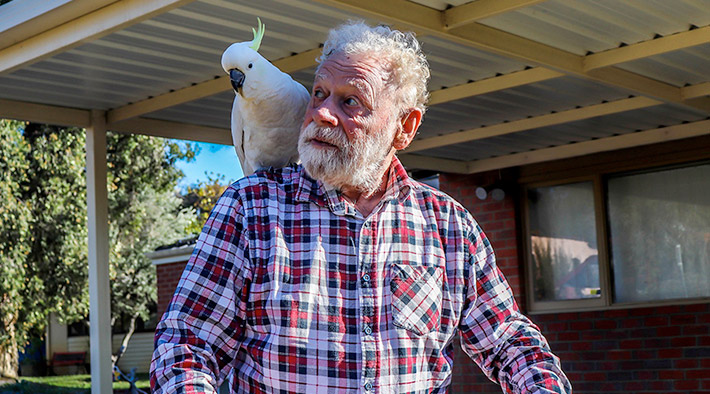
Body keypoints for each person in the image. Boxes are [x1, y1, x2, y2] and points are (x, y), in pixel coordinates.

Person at [151, 21, 571, 394]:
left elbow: (509, 341)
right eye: (318, 93)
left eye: (350, 101)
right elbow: (186, 344)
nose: (321, 113)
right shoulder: (250, 210)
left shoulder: (447, 224)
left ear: (404, 127)